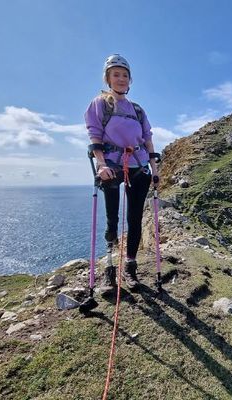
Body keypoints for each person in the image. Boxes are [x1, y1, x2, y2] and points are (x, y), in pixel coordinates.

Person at [84, 54, 159, 294]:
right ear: (108, 78)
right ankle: (109, 272)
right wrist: (101, 165)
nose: (120, 79)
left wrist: (154, 170)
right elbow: (95, 134)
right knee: (112, 220)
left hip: (138, 167)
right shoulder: (101, 104)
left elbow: (148, 139)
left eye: (124, 75)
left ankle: (130, 267)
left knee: (135, 219)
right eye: (115, 74)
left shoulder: (137, 110)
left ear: (130, 80)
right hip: (112, 167)